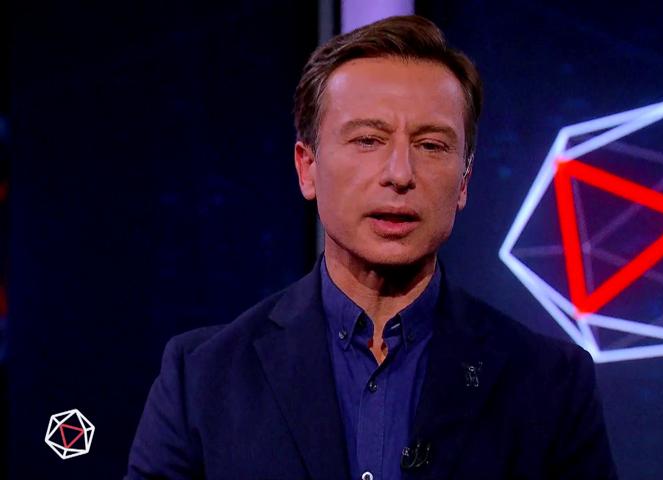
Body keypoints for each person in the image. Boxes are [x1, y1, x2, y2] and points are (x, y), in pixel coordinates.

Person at [126, 15, 618, 480]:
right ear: (307, 167)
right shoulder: (202, 377)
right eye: (368, 140)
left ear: (465, 180)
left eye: (431, 146)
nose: (400, 174)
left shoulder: (550, 385)